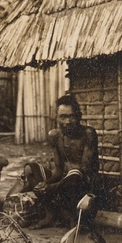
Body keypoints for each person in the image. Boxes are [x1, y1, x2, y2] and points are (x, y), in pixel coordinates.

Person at [31, 94, 99, 228]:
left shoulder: (88, 134)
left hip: (84, 184)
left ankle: (73, 218)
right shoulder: (55, 136)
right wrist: (45, 183)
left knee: (74, 174)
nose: (67, 121)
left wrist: (52, 187)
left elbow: (84, 170)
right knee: (31, 169)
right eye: (63, 117)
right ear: (56, 118)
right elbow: (58, 170)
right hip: (64, 182)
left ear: (78, 117)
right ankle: (49, 215)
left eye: (71, 116)